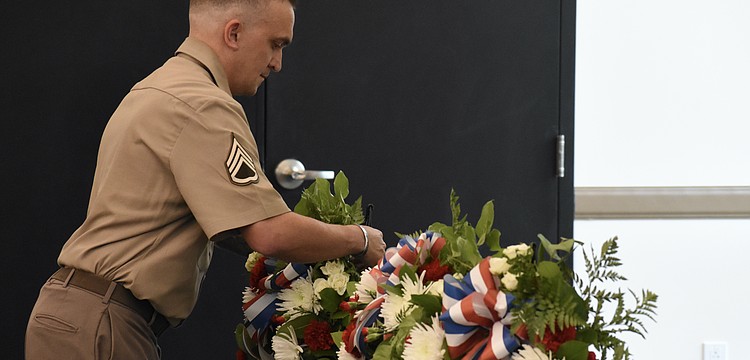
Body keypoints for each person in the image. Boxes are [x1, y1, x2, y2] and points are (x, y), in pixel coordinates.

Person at [25, 0, 386, 358]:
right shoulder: (204, 104)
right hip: (104, 322)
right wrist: (358, 240)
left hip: (76, 315)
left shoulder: (158, 86)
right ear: (234, 33)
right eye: (276, 44)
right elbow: (268, 233)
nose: (277, 63)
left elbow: (228, 224)